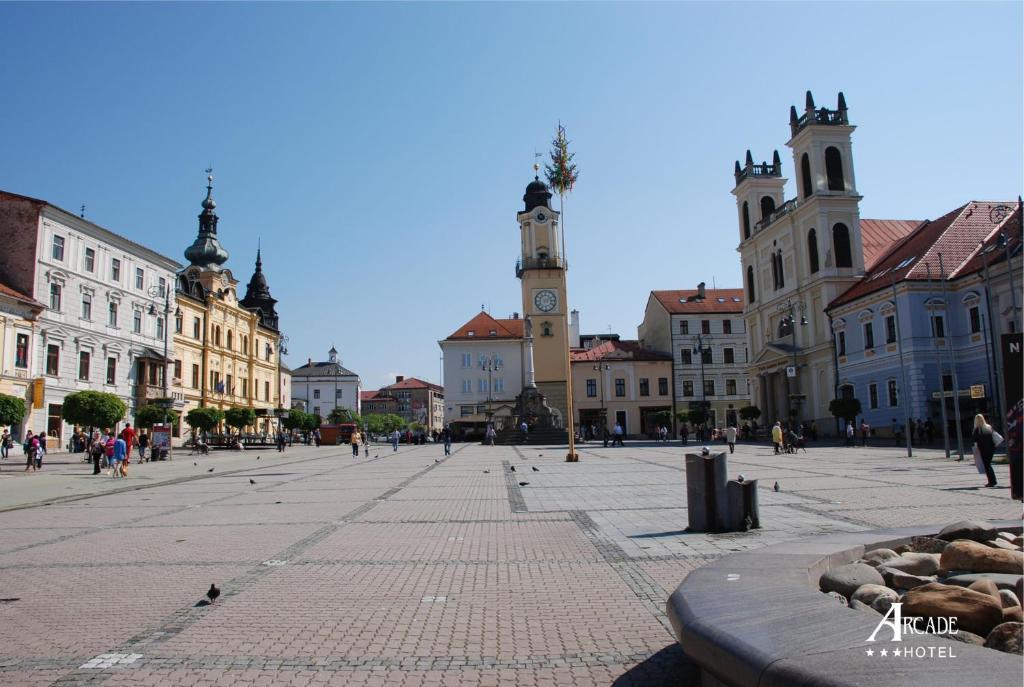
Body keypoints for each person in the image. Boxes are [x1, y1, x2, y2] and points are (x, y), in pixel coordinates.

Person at [972, 413, 998, 488]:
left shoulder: (976, 430)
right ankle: (993, 481)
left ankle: (992, 481)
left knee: (987, 465)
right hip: (991, 449)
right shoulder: (989, 427)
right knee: (988, 464)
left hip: (983, 450)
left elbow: (974, 441)